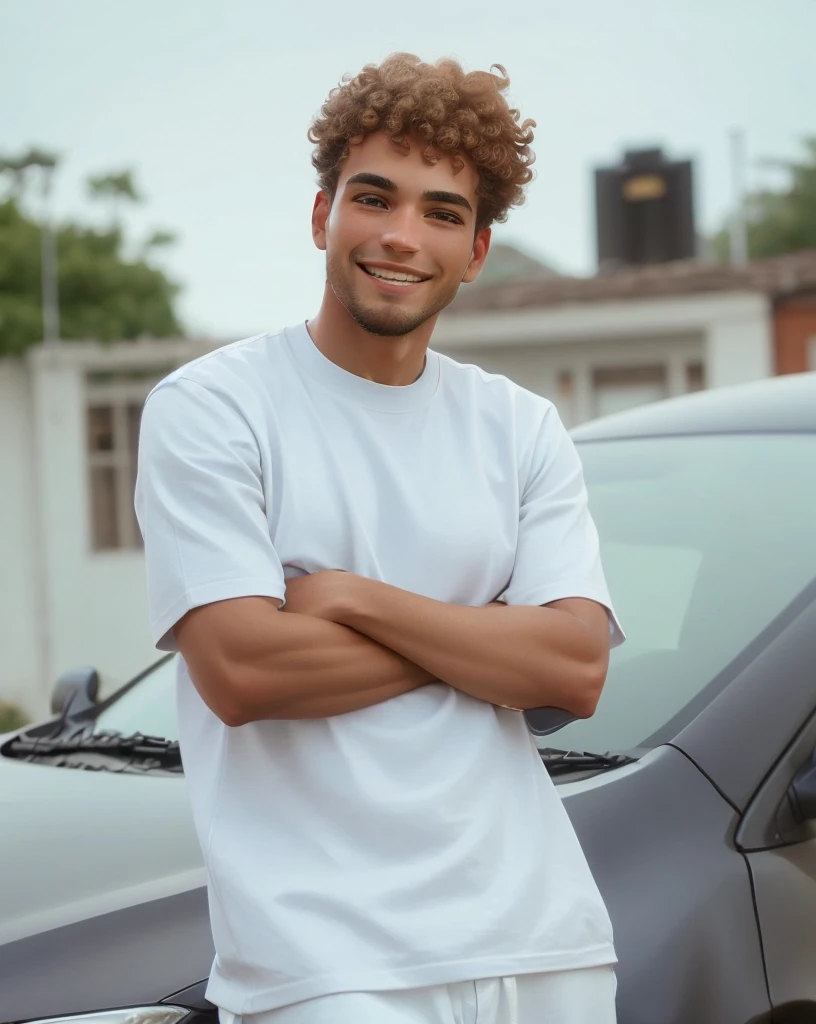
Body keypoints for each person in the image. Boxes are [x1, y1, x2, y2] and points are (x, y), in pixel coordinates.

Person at [135, 52, 624, 1024]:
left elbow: (574, 671)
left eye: (442, 212)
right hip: (327, 965)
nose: (403, 237)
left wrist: (354, 598)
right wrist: (489, 640)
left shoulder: (519, 425)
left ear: (477, 249)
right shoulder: (213, 408)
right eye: (375, 198)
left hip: (546, 945)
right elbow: (244, 672)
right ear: (323, 216)